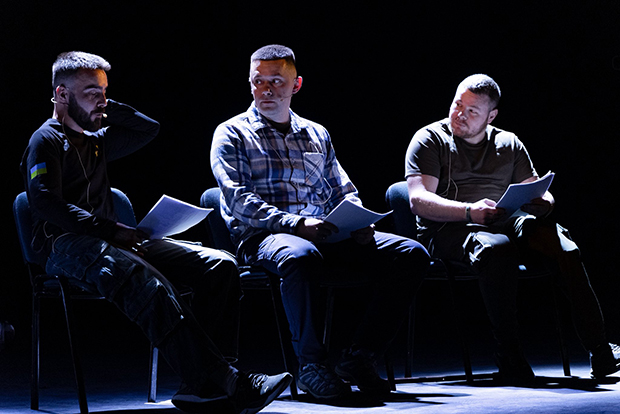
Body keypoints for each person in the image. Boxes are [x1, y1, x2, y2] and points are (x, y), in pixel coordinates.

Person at [20, 51, 291, 414]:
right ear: (62, 94)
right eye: (91, 92)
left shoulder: (97, 141)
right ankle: (226, 382)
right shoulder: (45, 140)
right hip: (64, 246)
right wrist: (110, 230)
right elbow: (43, 202)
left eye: (105, 91)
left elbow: (148, 128)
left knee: (221, 265)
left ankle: (206, 385)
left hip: (107, 240)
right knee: (147, 283)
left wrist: (104, 105)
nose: (102, 100)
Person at [211, 44, 430, 399]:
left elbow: (341, 188)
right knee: (300, 255)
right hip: (265, 235)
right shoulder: (232, 133)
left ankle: (359, 356)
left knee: (410, 254)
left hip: (322, 232)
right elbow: (238, 200)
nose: (266, 90)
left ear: (296, 85)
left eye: (276, 81)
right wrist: (296, 225)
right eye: (258, 81)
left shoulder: (316, 133)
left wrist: (357, 220)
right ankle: (311, 366)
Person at [405, 73, 620, 382]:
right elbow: (418, 200)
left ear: (491, 116)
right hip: (450, 228)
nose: (460, 114)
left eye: (472, 111)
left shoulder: (508, 142)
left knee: (562, 245)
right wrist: (469, 211)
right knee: (497, 249)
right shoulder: (430, 139)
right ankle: (509, 355)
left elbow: (535, 187)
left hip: (504, 219)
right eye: (457, 104)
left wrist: (544, 202)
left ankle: (599, 349)